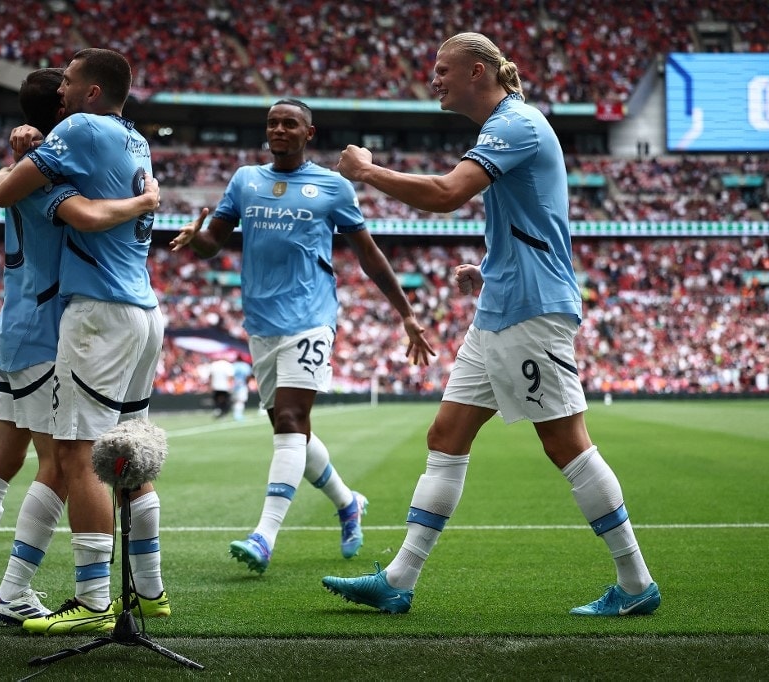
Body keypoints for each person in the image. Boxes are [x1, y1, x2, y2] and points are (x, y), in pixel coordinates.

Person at [321, 32, 660, 617]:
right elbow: (534, 220)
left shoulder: (515, 124)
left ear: (479, 71)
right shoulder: (503, 127)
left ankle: (636, 585)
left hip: (529, 310)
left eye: (442, 68)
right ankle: (398, 580)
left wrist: (369, 172)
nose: (434, 78)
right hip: (502, 305)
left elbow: (449, 193)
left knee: (566, 444)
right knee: (445, 437)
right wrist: (491, 268)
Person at [170, 98, 435, 575]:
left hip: (311, 317)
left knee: (291, 418)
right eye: (272, 122)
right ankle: (347, 501)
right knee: (288, 427)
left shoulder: (332, 187)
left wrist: (406, 313)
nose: (278, 129)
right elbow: (215, 241)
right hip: (261, 321)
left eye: (289, 123)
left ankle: (264, 536)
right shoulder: (245, 180)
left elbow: (369, 255)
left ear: (308, 133)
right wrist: (198, 238)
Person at [0, 66, 161, 625]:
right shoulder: (49, 175)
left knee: (0, 461)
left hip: (14, 323)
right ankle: (16, 589)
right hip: (45, 328)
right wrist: (143, 202)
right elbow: (86, 217)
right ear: (62, 118)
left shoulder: (24, 167)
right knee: (62, 465)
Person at [231, 352, 253, 421]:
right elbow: (248, 376)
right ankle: (238, 415)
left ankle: (236, 414)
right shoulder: (245, 365)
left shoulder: (233, 365)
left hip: (234, 385)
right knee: (240, 401)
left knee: (235, 401)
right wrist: (247, 383)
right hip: (242, 385)